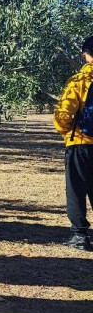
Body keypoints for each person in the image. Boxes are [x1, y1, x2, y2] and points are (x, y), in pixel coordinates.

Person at [54, 35, 93, 251]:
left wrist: (66, 132)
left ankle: (80, 235)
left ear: (85, 55)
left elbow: (63, 113)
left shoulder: (78, 81)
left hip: (80, 142)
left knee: (76, 188)